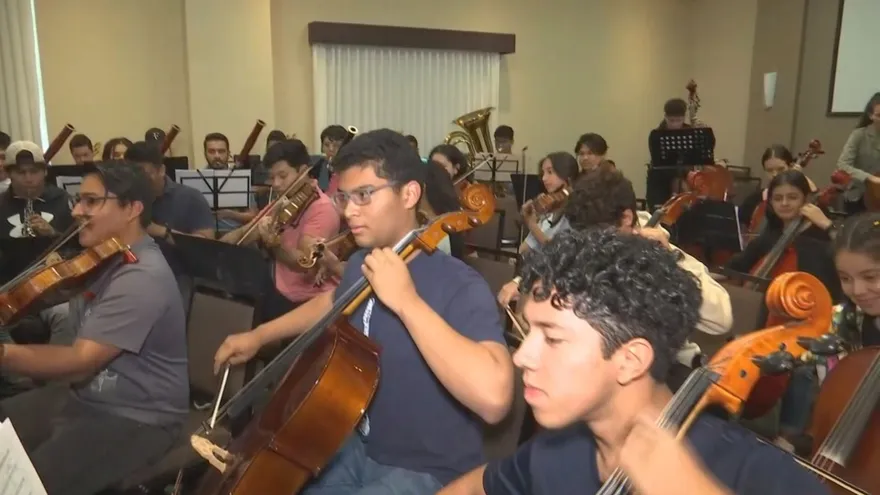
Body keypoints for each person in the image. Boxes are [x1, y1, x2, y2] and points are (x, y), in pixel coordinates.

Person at [214, 129, 513, 493]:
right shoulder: (362, 261)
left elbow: (495, 399)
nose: (349, 210)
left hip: (429, 469)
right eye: (344, 196)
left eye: (364, 195)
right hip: (355, 445)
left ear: (409, 194)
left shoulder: (460, 284)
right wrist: (259, 335)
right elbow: (333, 301)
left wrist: (407, 302)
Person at [439, 228, 829, 495]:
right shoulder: (556, 452)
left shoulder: (754, 472)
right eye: (530, 333)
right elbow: (476, 486)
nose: (522, 357)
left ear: (631, 359)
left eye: (552, 337)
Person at [0, 162, 188, 495]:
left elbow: (80, 362)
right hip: (88, 398)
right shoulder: (102, 260)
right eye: (78, 199)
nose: (76, 210)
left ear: (132, 209)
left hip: (138, 415)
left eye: (91, 201)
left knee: (31, 482)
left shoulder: (141, 276)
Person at [564, 168, 733, 378]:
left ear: (626, 218)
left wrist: (670, 264)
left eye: (599, 236)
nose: (593, 245)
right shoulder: (587, 241)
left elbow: (722, 320)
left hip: (664, 372)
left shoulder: (659, 249)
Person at [220, 139, 340, 322]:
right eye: (272, 177)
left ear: (303, 171)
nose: (275, 184)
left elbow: (303, 264)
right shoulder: (283, 200)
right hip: (278, 284)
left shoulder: (321, 209)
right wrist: (218, 248)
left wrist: (273, 245)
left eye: (282, 176)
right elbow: (244, 234)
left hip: (305, 299)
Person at [726, 169, 843, 315]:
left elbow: (851, 251)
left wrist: (827, 225)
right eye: (778, 198)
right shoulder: (771, 235)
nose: (784, 203)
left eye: (792, 197)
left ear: (805, 199)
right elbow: (736, 265)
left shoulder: (821, 237)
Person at [497, 152, 580, 306]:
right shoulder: (551, 206)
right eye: (543, 173)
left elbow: (556, 249)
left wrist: (532, 225)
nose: (544, 178)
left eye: (550, 172)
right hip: (532, 271)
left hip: (553, 282)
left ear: (566, 175)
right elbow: (525, 247)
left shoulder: (575, 210)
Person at [125, 142, 214, 239]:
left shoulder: (191, 197)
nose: (138, 180)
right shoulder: (123, 198)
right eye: (132, 175)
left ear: (161, 170)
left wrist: (161, 232)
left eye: (144, 175)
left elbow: (206, 243)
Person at [0, 141, 74, 239]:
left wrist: (53, 233)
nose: (28, 179)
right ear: (8, 174)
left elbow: (79, 245)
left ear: (45, 171)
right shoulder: (2, 204)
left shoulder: (63, 200)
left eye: (34, 171)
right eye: (21, 172)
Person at [739, 145, 818, 228]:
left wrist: (799, 176)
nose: (775, 174)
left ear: (790, 167)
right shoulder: (753, 200)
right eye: (769, 170)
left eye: (781, 169)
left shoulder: (803, 199)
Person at [837, 92, 880, 214]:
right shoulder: (859, 135)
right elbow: (843, 164)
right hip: (859, 196)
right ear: (870, 115)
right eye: (879, 115)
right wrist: (870, 178)